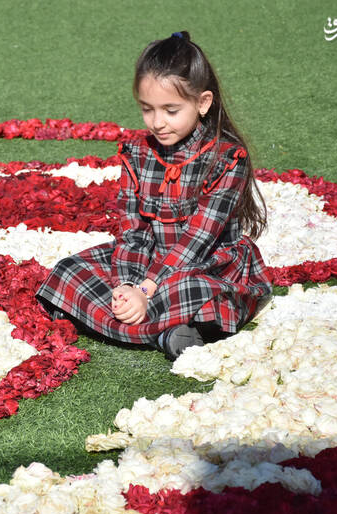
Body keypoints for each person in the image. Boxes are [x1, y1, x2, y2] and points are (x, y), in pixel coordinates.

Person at [36, 31, 273, 361]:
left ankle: (147, 326)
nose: (158, 123)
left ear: (202, 103)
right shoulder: (137, 154)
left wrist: (147, 289)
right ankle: (163, 329)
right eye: (147, 109)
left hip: (203, 263)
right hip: (146, 259)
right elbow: (133, 231)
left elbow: (197, 241)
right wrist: (128, 285)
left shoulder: (227, 160)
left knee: (194, 293)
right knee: (68, 270)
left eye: (171, 110)